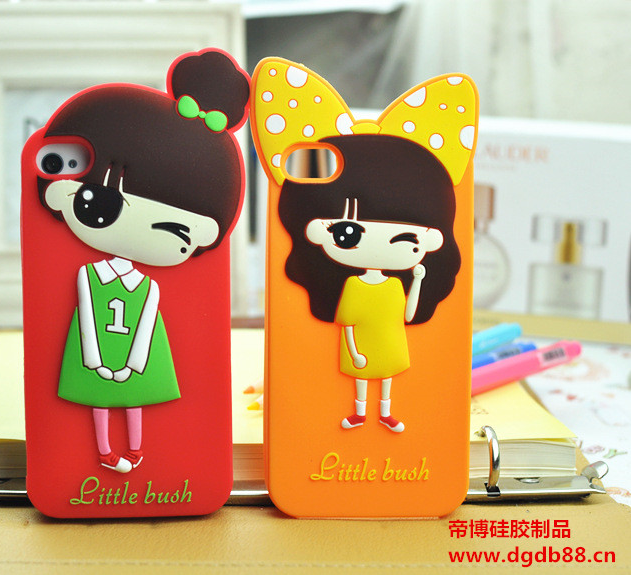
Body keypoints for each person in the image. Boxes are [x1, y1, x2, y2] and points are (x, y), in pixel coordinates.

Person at [33, 50, 249, 472]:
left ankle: (134, 450)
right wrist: (94, 359)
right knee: (98, 401)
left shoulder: (145, 286)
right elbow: (86, 320)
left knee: (134, 401)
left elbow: (148, 323)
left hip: (136, 357)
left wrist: (133, 363)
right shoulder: (89, 276)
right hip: (96, 354)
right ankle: (105, 452)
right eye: (100, 204)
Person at [278, 134, 461, 432]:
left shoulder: (395, 286)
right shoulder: (353, 285)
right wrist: (354, 352)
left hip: (390, 343)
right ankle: (360, 414)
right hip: (361, 348)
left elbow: (408, 315)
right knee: (361, 379)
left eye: (406, 239)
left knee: (387, 377)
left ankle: (385, 413)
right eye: (347, 234)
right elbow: (348, 324)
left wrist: (417, 281)